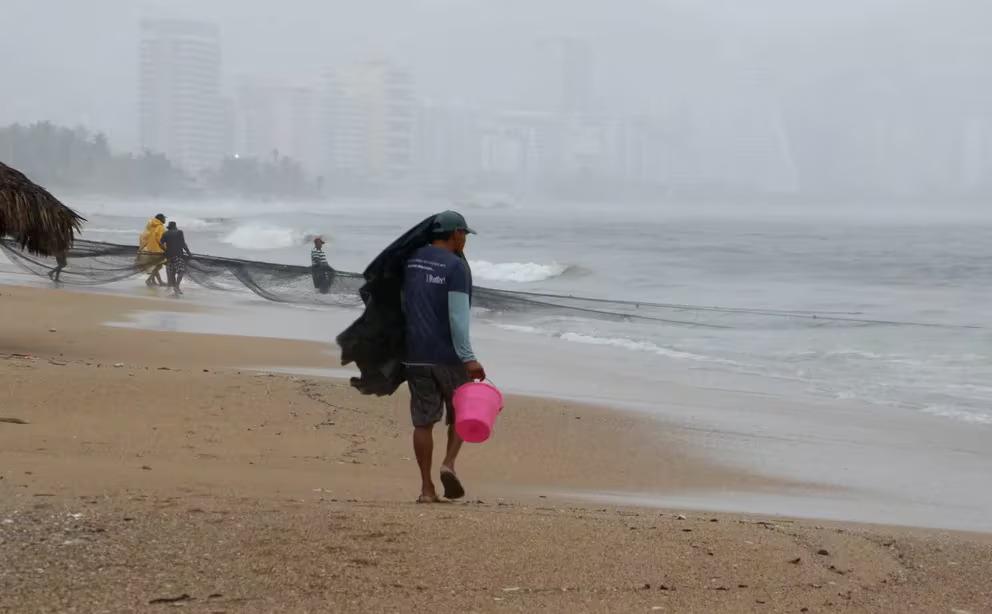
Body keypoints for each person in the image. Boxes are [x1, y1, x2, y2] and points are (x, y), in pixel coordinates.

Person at [403, 211, 485, 503]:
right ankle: (448, 464)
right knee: (463, 412)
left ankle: (426, 489)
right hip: (448, 355)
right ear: (456, 234)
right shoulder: (456, 267)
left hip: (413, 354)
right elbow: (457, 316)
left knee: (423, 422)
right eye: (464, 235)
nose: (465, 241)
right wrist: (469, 357)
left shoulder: (411, 259)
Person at [159, 221, 192, 296]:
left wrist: (165, 250)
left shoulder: (165, 233)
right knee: (181, 271)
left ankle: (174, 288)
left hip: (169, 256)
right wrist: (189, 253)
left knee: (172, 272)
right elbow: (183, 244)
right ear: (175, 226)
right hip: (178, 255)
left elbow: (160, 243)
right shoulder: (179, 232)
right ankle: (176, 286)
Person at [136, 214, 167, 287]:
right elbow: (159, 239)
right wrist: (165, 248)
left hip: (148, 249)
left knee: (155, 265)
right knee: (159, 266)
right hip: (157, 250)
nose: (165, 220)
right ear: (161, 219)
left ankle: (156, 281)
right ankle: (149, 280)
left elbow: (144, 236)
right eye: (164, 218)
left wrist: (141, 248)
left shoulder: (150, 225)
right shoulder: (160, 227)